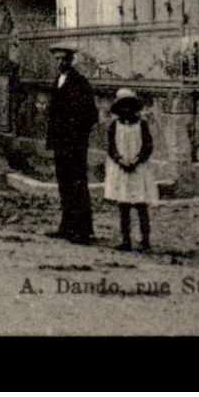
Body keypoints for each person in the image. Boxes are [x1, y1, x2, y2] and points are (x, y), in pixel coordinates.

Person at [46, 42, 99, 244]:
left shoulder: (80, 82)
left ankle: (83, 230)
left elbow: (91, 115)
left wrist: (77, 135)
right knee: (64, 183)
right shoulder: (58, 80)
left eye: (64, 59)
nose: (60, 63)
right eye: (57, 59)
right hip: (60, 143)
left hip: (75, 143)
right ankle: (66, 226)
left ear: (71, 60)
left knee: (77, 184)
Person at [105, 88, 159, 252]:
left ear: (135, 108)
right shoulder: (114, 126)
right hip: (122, 169)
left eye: (129, 106)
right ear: (118, 109)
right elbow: (111, 147)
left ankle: (145, 241)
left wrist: (136, 160)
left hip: (139, 169)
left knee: (141, 205)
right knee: (124, 206)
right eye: (123, 106)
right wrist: (120, 160)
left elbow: (148, 146)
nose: (126, 110)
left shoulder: (142, 125)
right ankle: (125, 240)